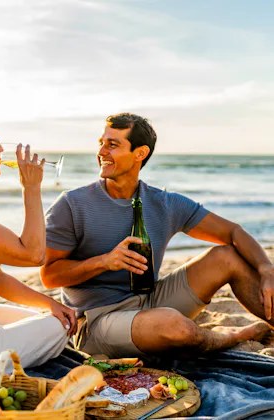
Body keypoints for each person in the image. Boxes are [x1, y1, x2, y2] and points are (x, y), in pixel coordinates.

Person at [41, 112, 273, 359]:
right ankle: (234, 336)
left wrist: (267, 270)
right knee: (173, 325)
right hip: (99, 320)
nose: (101, 152)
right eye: (101, 143)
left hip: (152, 299)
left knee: (226, 257)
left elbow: (233, 231)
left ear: (139, 153)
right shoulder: (72, 204)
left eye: (113, 145)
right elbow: (49, 276)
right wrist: (104, 262)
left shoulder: (163, 203)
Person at [0, 113, 77, 374]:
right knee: (60, 328)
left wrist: (50, 303)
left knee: (48, 316)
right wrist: (31, 189)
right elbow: (34, 255)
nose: (0, 148)